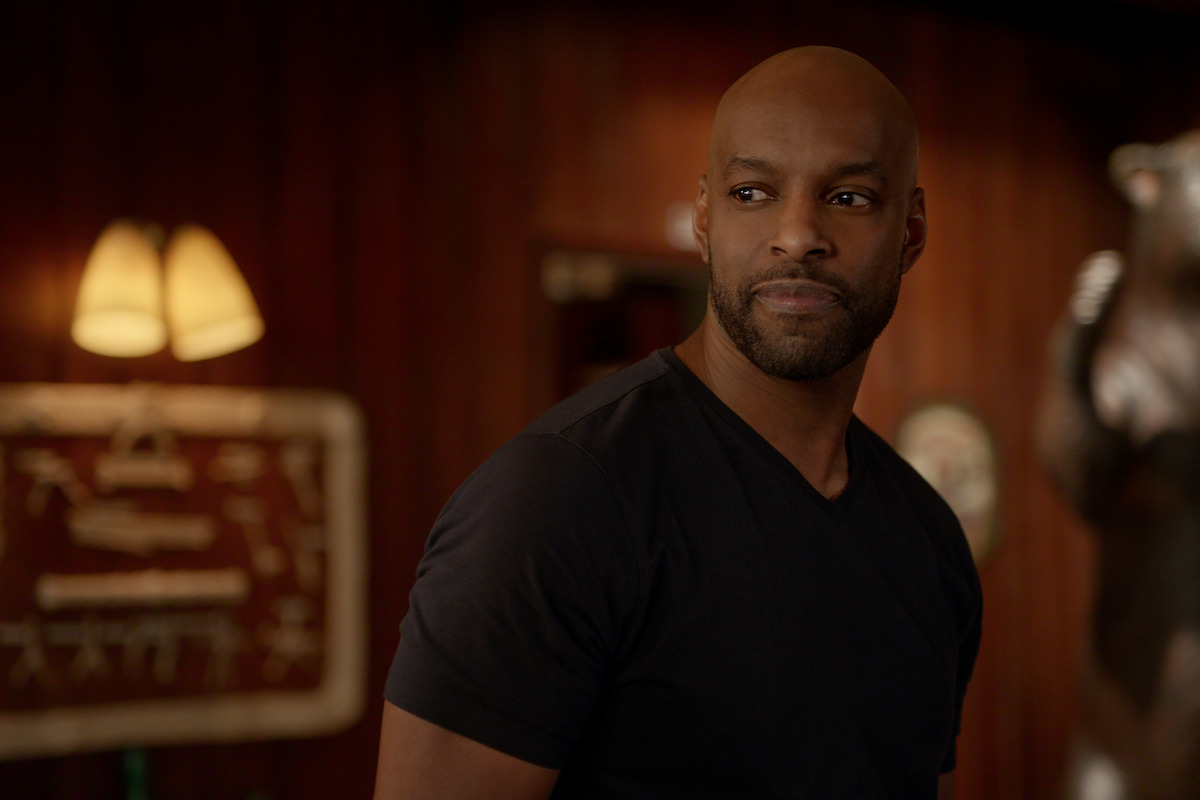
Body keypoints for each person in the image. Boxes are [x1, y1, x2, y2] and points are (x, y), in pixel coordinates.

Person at [374, 45, 982, 800]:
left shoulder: (930, 545)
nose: (797, 235)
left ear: (912, 232)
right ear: (703, 219)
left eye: (849, 197)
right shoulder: (554, 504)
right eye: (753, 192)